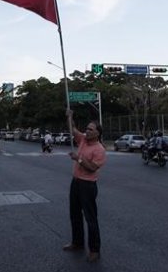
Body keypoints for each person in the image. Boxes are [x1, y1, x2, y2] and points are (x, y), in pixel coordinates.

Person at [63, 110, 107, 263]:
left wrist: (79, 159)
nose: (86, 131)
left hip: (88, 185)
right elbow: (72, 129)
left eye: (90, 129)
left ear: (98, 133)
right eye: (87, 129)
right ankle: (77, 243)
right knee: (74, 214)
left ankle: (95, 250)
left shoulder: (99, 149)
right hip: (76, 182)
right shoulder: (82, 139)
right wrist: (71, 117)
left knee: (90, 218)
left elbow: (92, 168)